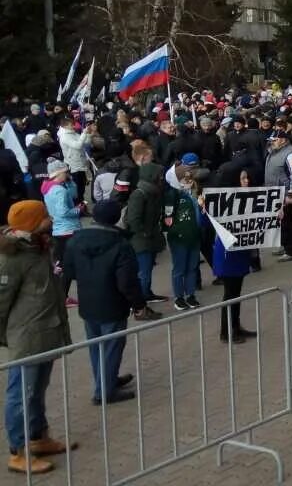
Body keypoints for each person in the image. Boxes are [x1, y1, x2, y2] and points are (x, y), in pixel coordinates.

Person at [60, 201, 160, 407]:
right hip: (113, 304)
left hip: (88, 302)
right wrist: (139, 304)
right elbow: (127, 282)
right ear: (116, 218)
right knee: (112, 347)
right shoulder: (121, 244)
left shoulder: (76, 240)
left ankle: (106, 380)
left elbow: (68, 272)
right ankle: (104, 391)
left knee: (96, 347)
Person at [0, 201, 73, 475]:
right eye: (44, 217)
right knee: (22, 394)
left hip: (46, 332)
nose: (50, 219)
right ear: (32, 223)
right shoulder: (12, 257)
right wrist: (8, 337)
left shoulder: (39, 245)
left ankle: (38, 437)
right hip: (27, 337)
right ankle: (17, 452)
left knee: (37, 390)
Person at [212, 168, 257, 344]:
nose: (247, 181)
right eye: (243, 178)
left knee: (236, 294)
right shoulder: (224, 201)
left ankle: (236, 327)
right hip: (228, 255)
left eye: (247, 177)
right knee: (230, 295)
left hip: (240, 253)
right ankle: (226, 332)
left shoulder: (246, 198)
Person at [163, 165, 203, 311]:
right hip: (179, 239)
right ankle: (179, 297)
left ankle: (190, 294)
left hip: (194, 236)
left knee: (192, 267)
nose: (190, 180)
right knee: (179, 269)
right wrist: (176, 232)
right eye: (186, 178)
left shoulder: (193, 193)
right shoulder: (172, 196)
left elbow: (199, 215)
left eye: (190, 178)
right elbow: (167, 219)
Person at [126, 163, 167, 303]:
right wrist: (144, 232)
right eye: (159, 175)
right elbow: (133, 219)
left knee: (147, 270)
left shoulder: (153, 192)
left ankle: (146, 294)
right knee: (144, 272)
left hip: (149, 238)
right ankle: (141, 302)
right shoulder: (139, 194)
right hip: (141, 240)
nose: (162, 178)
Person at [40, 160, 81, 289]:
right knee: (71, 263)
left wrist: (70, 181)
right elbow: (63, 211)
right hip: (69, 229)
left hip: (58, 229)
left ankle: (62, 294)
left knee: (62, 263)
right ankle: (64, 293)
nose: (68, 174)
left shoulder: (47, 187)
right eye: (66, 172)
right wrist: (79, 209)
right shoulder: (60, 191)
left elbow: (73, 194)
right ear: (59, 173)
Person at [264, 130, 292, 262]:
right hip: (276, 193)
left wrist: (291, 193)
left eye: (275, 140)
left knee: (288, 222)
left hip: (286, 194)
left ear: (283, 140)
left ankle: (291, 251)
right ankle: (285, 245)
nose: (272, 142)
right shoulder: (275, 152)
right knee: (281, 221)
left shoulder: (291, 153)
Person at [54, 117, 93, 205]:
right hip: (73, 165)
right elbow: (77, 145)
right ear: (65, 125)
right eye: (71, 124)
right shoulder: (64, 136)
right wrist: (84, 133)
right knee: (77, 187)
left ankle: (81, 203)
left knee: (82, 185)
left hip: (80, 163)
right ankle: (78, 205)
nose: (74, 125)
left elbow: (86, 142)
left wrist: (88, 134)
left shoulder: (73, 133)